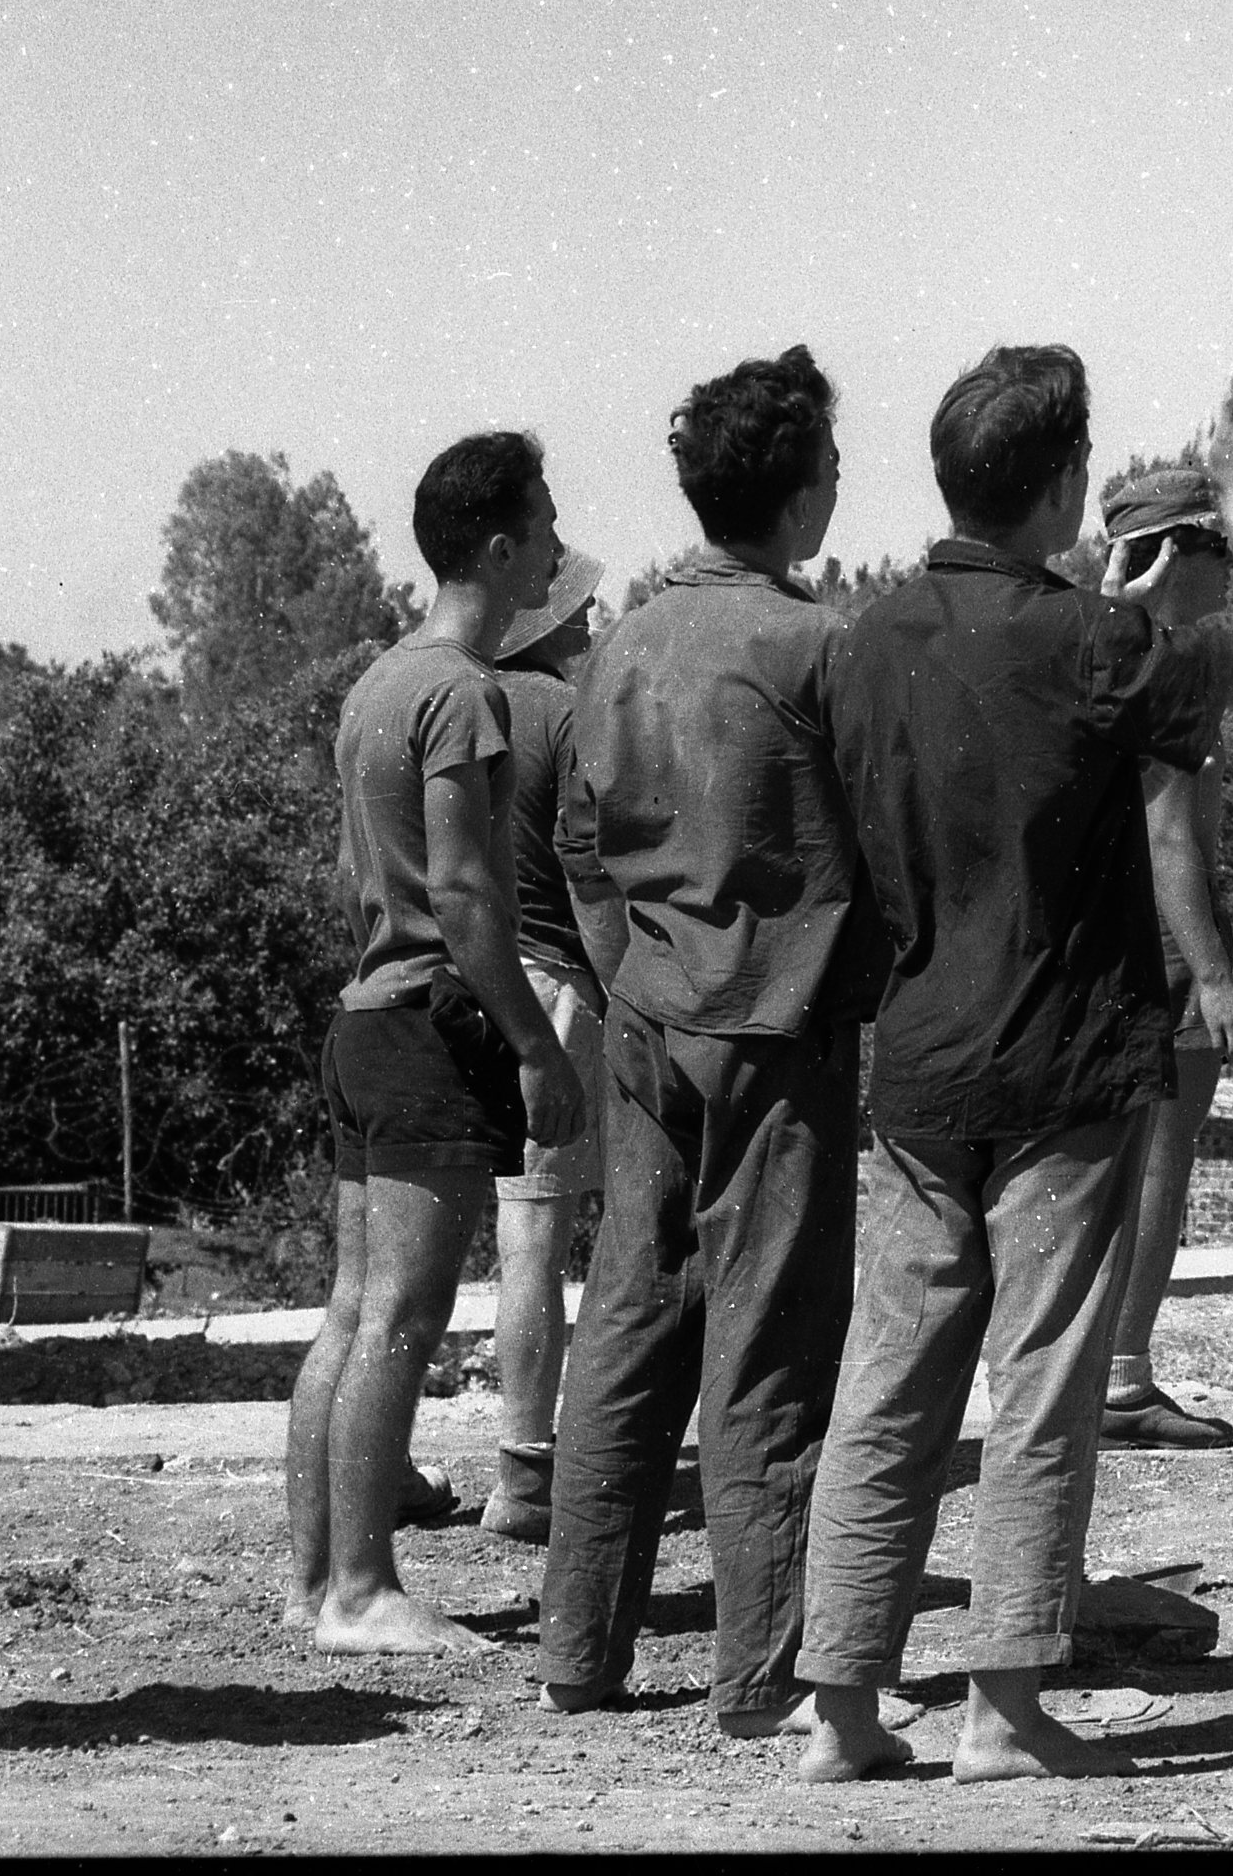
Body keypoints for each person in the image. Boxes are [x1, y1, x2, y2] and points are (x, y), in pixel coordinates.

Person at [794, 353, 1233, 1788]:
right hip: (1060, 1066)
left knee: (885, 1388)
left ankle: (840, 1709)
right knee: (1042, 1389)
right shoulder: (1086, 641)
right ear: (1066, 478)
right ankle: (1004, 1710)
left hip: (916, 1067)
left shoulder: (860, 641)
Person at [537, 346, 870, 1736]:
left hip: (649, 1023)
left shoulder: (622, 643)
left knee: (626, 1326)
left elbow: (574, 844)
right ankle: (761, 1674)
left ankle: (578, 1653)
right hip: (777, 1029)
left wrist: (629, 979)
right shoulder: (817, 646)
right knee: (769, 1347)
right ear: (802, 499)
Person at [286, 431, 587, 1651]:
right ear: (504, 547)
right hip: (426, 1023)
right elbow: (468, 897)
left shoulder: (380, 681)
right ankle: (361, 1590)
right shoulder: (463, 691)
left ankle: (314, 1579)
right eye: (549, 527)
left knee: (355, 1310)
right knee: (403, 1314)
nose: (561, 549)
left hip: (363, 1021)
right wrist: (536, 1043)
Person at [1091, 458, 1233, 1453]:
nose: (1224, 565)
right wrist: (1212, 970)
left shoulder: (1111, 650)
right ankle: (1121, 1374)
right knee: (1156, 1165)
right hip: (1162, 948)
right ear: (1166, 552)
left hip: (1122, 942)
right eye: (1210, 544)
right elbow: (1170, 838)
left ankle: (1111, 1367)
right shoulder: (1158, 666)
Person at [480, 543, 609, 1549]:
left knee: (422, 1243)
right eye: (585, 612)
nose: (596, 624)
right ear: (556, 627)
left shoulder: (453, 699)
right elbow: (591, 871)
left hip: (460, 981)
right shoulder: (568, 717)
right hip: (551, 983)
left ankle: (382, 1464)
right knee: (539, 1231)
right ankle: (526, 1468)